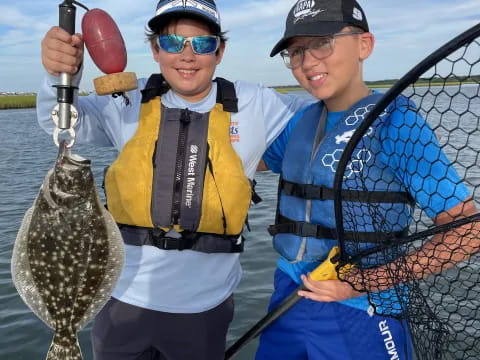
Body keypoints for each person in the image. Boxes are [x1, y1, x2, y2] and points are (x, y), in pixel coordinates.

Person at [36, 1, 314, 359]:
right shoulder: (125, 99)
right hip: (121, 302)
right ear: (155, 50)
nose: (187, 56)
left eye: (201, 44)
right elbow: (59, 123)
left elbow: (330, 117)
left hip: (204, 309)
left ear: (220, 50)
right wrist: (58, 76)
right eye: (172, 43)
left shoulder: (256, 102)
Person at [256, 0, 478, 359]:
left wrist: (359, 283)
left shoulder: (397, 123)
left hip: (366, 309)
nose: (308, 61)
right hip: (289, 293)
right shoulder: (301, 122)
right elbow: (244, 163)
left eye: (322, 42)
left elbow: (467, 232)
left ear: (364, 45)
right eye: (296, 51)